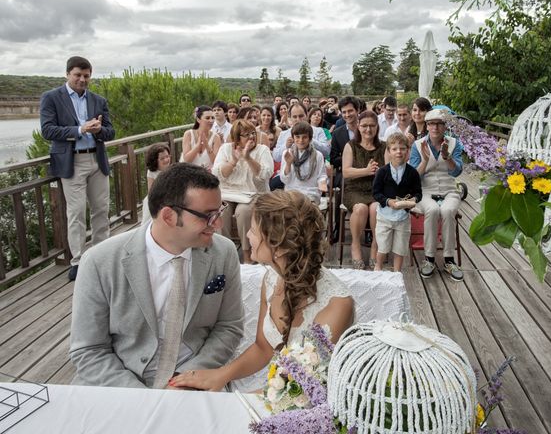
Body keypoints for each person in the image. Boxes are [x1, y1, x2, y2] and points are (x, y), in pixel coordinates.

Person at [69, 163, 244, 388]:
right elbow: (88, 349)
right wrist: (139, 395)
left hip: (197, 374)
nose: (218, 224)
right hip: (120, 379)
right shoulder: (99, 261)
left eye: (219, 212)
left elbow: (229, 326)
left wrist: (189, 377)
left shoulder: (224, 252)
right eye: (208, 216)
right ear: (169, 216)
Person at [169, 190, 354, 391]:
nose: (247, 235)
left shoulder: (337, 305)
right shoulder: (272, 278)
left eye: (254, 231)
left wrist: (246, 398)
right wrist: (220, 375)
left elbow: (305, 387)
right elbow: (264, 348)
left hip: (310, 402)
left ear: (281, 248)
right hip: (279, 390)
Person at [40, 56, 116, 281]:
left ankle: (101, 256)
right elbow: (48, 130)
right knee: (76, 214)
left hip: (97, 159)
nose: (82, 79)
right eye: (78, 75)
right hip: (71, 162)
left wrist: (98, 131)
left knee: (101, 209)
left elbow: (111, 132)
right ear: (67, 74)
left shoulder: (98, 100)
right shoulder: (52, 97)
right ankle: (78, 261)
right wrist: (80, 129)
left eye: (86, 76)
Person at [409, 109, 464, 281]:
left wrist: (447, 157)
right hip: (425, 190)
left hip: (449, 190)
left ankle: (449, 259)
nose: (435, 127)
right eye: (432, 123)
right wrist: (425, 161)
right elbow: (414, 177)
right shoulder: (418, 145)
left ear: (445, 126)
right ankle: (429, 258)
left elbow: (456, 172)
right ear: (426, 125)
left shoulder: (455, 143)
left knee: (447, 211)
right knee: (432, 210)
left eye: (439, 123)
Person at [212, 119, 273, 262]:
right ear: (237, 139)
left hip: (254, 193)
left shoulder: (262, 150)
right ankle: (225, 251)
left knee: (244, 211)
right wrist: (233, 161)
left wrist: (248, 158)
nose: (252, 137)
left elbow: (265, 175)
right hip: (228, 192)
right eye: (246, 135)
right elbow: (218, 174)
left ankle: (247, 253)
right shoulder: (226, 149)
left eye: (253, 133)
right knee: (221, 209)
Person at [342, 111, 388, 269]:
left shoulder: (384, 146)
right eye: (364, 126)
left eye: (372, 126)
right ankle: (355, 245)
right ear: (358, 127)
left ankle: (376, 245)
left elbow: (389, 172)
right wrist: (367, 171)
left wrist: (380, 171)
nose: (368, 129)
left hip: (376, 190)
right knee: (361, 208)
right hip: (354, 189)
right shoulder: (351, 146)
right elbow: (346, 172)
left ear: (377, 127)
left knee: (376, 209)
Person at [372, 133, 422, 271]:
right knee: (383, 246)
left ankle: (396, 272)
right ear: (388, 151)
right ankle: (378, 267)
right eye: (394, 149)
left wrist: (414, 200)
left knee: (400, 248)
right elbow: (376, 193)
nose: (398, 152)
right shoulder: (382, 172)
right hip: (384, 216)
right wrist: (388, 202)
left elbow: (418, 192)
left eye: (402, 148)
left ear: (408, 150)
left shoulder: (412, 173)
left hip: (403, 217)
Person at [329, 96, 360, 242]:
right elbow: (333, 159)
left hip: (365, 171)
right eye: (344, 112)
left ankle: (367, 230)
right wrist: (347, 159)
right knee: (341, 190)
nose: (347, 115)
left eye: (350, 111)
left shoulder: (366, 129)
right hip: (345, 173)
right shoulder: (337, 133)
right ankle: (337, 227)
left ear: (357, 110)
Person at [281, 121, 328, 205]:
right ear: (293, 137)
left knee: (305, 209)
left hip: (311, 192)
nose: (301, 140)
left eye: (304, 137)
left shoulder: (318, 155)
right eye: (297, 137)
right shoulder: (287, 153)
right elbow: (285, 180)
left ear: (310, 138)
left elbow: (322, 175)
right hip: (292, 192)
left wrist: (322, 183)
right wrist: (288, 164)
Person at [141, 143, 172, 225]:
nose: (166, 160)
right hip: (156, 199)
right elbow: (151, 191)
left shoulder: (171, 169)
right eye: (162, 158)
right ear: (155, 160)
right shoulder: (152, 172)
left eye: (167, 156)